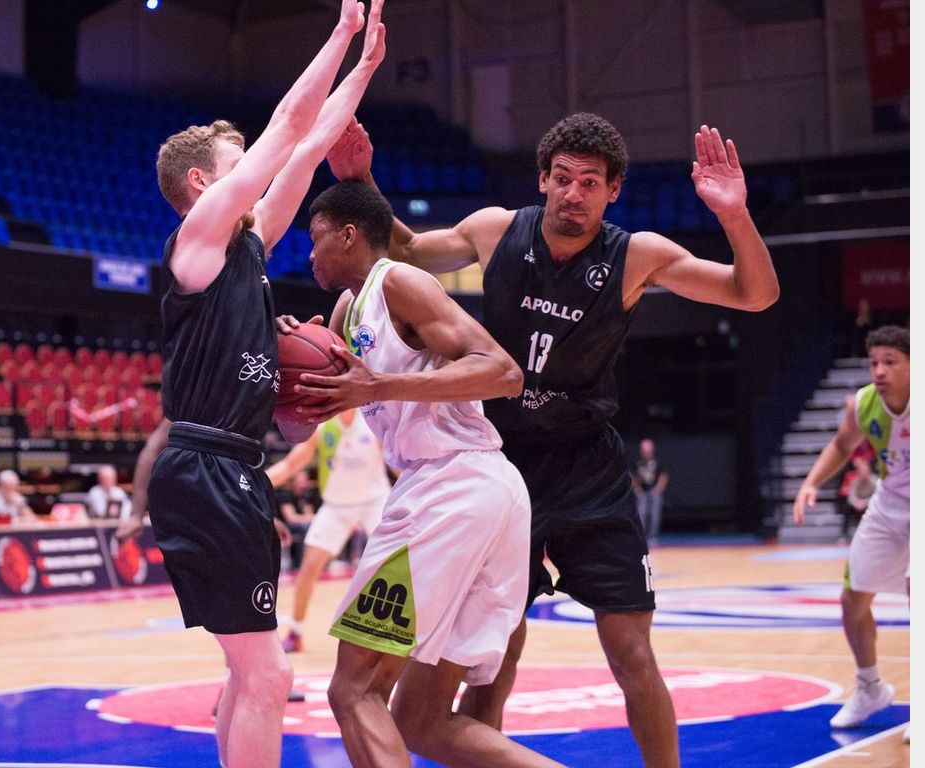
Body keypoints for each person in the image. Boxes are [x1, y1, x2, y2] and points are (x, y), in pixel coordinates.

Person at [326, 111, 779, 766]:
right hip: (504, 463)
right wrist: (362, 179)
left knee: (632, 653)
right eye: (562, 178)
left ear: (613, 190)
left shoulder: (637, 255)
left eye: (589, 182)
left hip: (588, 465)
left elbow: (755, 295)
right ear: (543, 180)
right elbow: (408, 252)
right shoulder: (496, 230)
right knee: (495, 659)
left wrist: (733, 214)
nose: (573, 193)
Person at [147, 3, 386, 765]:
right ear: (200, 182)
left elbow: (309, 147)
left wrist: (365, 68)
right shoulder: (198, 238)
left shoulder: (246, 246)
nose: (254, 164)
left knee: (246, 671)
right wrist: (341, 33)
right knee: (269, 673)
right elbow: (287, 127)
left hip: (234, 468)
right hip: (206, 467)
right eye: (237, 159)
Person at [283, 180, 560, 767]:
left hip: (451, 486)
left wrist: (380, 385)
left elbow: (504, 373)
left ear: (349, 235)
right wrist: (288, 363)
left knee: (354, 689)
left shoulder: (400, 283)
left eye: (316, 237)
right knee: (421, 721)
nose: (308, 254)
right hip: (473, 494)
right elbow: (297, 431)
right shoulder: (345, 312)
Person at [793, 325, 909, 741]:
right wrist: (810, 482)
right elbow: (842, 445)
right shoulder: (865, 403)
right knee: (852, 599)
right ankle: (870, 687)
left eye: (890, 362)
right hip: (889, 503)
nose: (879, 370)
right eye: (874, 362)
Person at [265, 408, 391, 653]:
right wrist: (254, 481)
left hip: (375, 501)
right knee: (308, 570)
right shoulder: (323, 425)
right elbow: (291, 464)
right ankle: (296, 633)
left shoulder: (372, 420)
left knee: (394, 566)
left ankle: (399, 632)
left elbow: (397, 464)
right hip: (336, 505)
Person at [275, 470, 319, 571]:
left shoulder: (305, 494)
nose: (303, 482)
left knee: (316, 527)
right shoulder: (285, 494)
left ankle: (316, 561)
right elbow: (291, 518)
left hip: (300, 524)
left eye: (304, 479)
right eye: (300, 480)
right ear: (294, 481)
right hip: (284, 526)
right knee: (304, 527)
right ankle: (301, 564)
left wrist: (314, 519)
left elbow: (309, 515)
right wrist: (311, 518)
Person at [835, 441, 875, 544]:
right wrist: (856, 503)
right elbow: (851, 495)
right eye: (862, 469)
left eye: (865, 468)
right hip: (857, 505)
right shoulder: (856, 480)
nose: (864, 471)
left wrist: (865, 503)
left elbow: (877, 496)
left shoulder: (874, 480)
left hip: (869, 505)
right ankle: (844, 535)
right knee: (847, 508)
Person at [632, 438, 669, 544]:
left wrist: (658, 488)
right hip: (642, 491)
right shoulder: (638, 464)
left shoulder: (657, 463)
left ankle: (653, 535)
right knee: (641, 512)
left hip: (654, 490)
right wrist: (637, 488)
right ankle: (642, 535)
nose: (646, 454)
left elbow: (663, 476)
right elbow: (633, 477)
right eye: (644, 452)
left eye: (648, 452)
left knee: (654, 513)